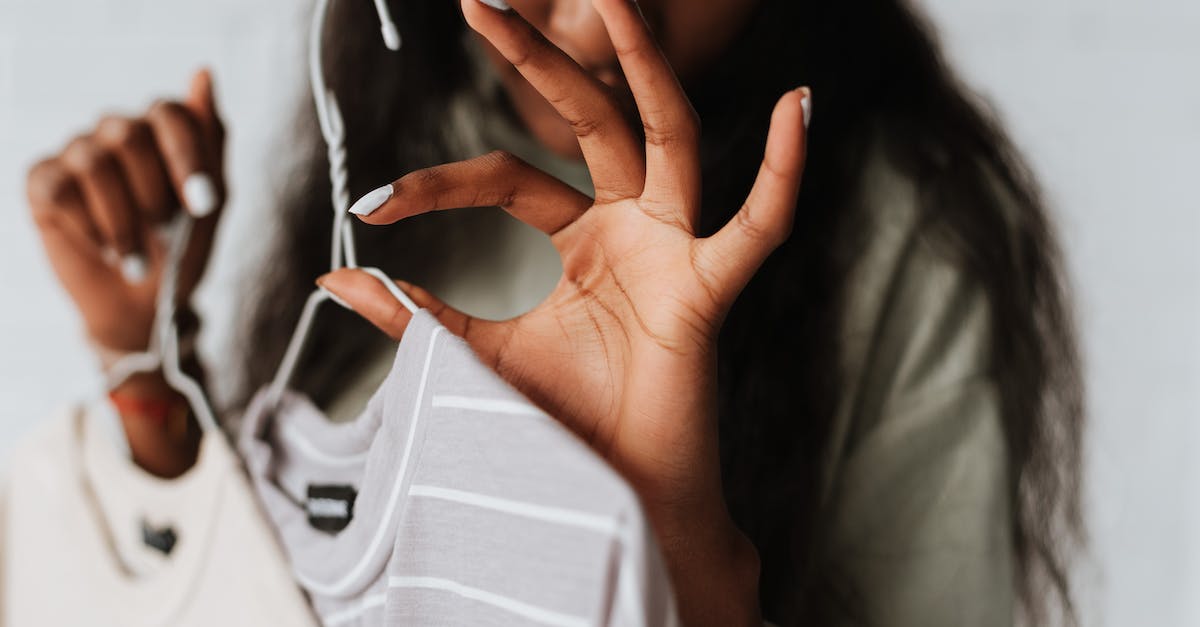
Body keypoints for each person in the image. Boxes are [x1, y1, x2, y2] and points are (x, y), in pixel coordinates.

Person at [24, 0, 1084, 625]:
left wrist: (673, 563)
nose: (586, 20)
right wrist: (147, 359)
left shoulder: (903, 233)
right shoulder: (406, 139)